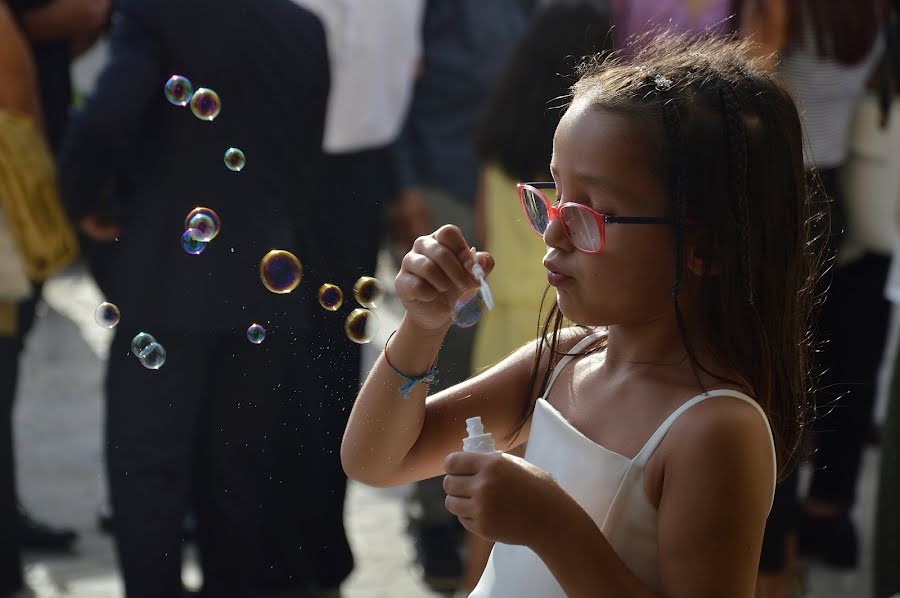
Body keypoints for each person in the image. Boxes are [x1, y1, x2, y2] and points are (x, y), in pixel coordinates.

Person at [343, 31, 822, 596]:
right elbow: (376, 460)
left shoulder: (715, 429)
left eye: (593, 211)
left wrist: (552, 525)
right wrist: (423, 326)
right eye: (554, 196)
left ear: (705, 249)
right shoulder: (563, 360)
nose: (553, 231)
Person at [58, 0, 329, 596]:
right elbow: (307, 158)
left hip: (163, 282)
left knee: (148, 474)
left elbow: (103, 120)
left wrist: (77, 204)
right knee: (238, 476)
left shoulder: (157, 13)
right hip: (265, 279)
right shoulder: (303, 28)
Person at [254, 1, 423, 595]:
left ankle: (317, 548)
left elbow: (398, 69)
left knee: (329, 366)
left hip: (354, 170)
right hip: (277, 161)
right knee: (273, 365)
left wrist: (401, 182)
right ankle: (271, 547)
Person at [465, 2, 614, 588]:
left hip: (502, 330)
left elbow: (483, 227)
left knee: (483, 495)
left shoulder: (497, 141)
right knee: (536, 496)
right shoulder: (592, 167)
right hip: (559, 325)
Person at [389, 0, 535, 590]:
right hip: (442, 184)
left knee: (488, 365)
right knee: (445, 369)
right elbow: (394, 88)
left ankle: (475, 510)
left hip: (504, 189)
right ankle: (433, 519)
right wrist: (403, 189)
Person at [744, 0, 888, 585]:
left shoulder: (783, 13)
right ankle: (804, 532)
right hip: (833, 197)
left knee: (767, 371)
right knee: (818, 371)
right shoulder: (870, 18)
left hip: (772, 199)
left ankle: (768, 548)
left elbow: (752, 87)